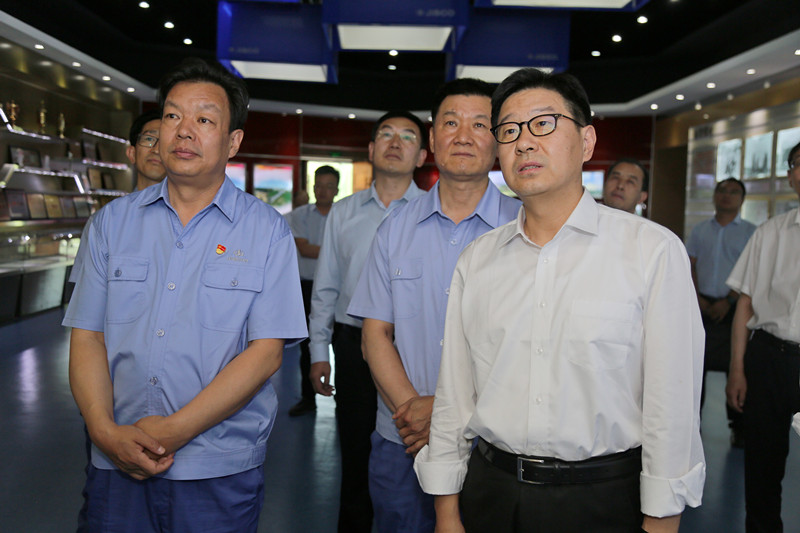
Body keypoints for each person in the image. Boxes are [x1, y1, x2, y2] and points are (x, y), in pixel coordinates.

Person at [414, 68, 705, 533]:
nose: (524, 143)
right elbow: (454, 396)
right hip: (491, 492)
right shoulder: (477, 261)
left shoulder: (650, 251)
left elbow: (671, 405)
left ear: (586, 142)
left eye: (543, 123)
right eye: (509, 130)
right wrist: (447, 511)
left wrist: (662, 521)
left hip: (603, 499)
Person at [63, 57, 307, 532]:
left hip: (216, 467)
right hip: (116, 458)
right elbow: (87, 336)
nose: (184, 130)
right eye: (173, 116)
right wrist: (103, 431)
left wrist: (174, 431)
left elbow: (265, 354)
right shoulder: (111, 224)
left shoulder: (267, 232)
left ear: (233, 141)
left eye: (205, 120)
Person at [347, 79, 520, 532]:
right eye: (451, 122)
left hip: (492, 445)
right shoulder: (394, 229)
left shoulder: (523, 229)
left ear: (499, 140)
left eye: (479, 124)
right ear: (433, 138)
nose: (463, 136)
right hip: (401, 438)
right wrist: (413, 410)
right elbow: (375, 334)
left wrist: (444, 414)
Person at [308, 111, 427, 533]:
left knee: (418, 450)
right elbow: (325, 286)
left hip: (413, 347)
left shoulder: (433, 212)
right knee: (356, 453)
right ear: (372, 149)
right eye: (386, 135)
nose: (396, 143)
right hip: (353, 346)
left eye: (408, 137)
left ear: (422, 156)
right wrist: (318, 352)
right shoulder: (344, 212)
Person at [69, 108, 169, 532]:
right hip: (115, 398)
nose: (157, 147)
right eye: (147, 138)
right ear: (131, 152)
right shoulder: (106, 224)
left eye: (164, 137)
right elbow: (87, 327)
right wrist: (100, 422)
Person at [726, 141, 800, 533]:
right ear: (790, 176)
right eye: (799, 163)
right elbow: (745, 305)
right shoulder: (770, 233)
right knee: (762, 466)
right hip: (769, 359)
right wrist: (737, 369)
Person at [685, 177, 755, 447]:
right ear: (714, 196)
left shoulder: (751, 232)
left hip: (735, 309)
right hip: (701, 306)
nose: (727, 195)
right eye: (722, 191)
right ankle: (694, 425)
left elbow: (752, 272)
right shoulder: (700, 230)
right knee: (695, 368)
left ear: (742, 199)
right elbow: (690, 265)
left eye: (734, 192)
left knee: (736, 367)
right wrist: (698, 300)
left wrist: (729, 300)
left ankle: (738, 427)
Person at [287, 165, 340, 416]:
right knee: (307, 345)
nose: (323, 191)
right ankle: (308, 399)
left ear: (337, 189)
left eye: (329, 186)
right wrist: (337, 252)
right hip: (306, 286)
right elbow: (304, 249)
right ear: (313, 187)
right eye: (319, 185)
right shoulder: (299, 215)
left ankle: (343, 400)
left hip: (339, 288)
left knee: (342, 344)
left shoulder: (343, 215)